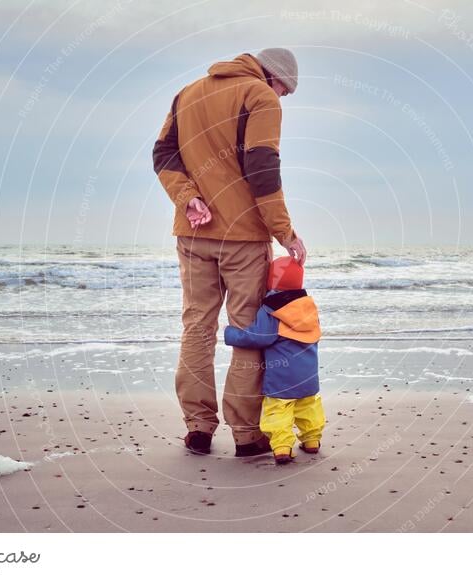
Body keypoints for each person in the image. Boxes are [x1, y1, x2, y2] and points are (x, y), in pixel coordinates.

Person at [152, 48, 307, 457]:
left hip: (193, 232)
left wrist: (188, 199)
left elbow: (163, 154)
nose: (282, 99)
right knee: (248, 331)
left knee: (197, 326)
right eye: (285, 91)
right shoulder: (260, 96)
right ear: (274, 79)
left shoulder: (188, 93)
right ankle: (245, 433)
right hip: (242, 236)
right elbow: (261, 167)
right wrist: (285, 232)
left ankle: (198, 428)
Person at [224, 257, 325, 464]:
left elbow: (259, 337)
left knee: (278, 409)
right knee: (309, 406)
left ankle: (281, 447)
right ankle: (312, 440)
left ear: (270, 280)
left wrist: (231, 334)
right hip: (309, 374)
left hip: (282, 376)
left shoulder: (272, 308)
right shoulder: (308, 307)